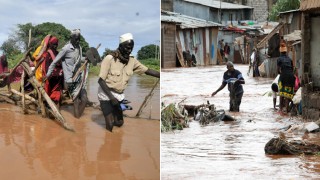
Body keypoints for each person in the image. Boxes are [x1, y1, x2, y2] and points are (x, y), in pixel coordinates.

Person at [98, 33, 160, 132]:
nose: (129, 50)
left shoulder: (132, 61)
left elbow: (147, 70)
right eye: (127, 48)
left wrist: (162, 75)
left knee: (119, 123)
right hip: (106, 93)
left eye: (131, 48)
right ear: (120, 46)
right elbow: (100, 81)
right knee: (109, 125)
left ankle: (114, 114)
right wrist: (112, 98)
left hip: (119, 94)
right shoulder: (109, 58)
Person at [44, 29, 89, 118]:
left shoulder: (79, 48)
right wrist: (48, 75)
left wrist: (86, 59)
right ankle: (77, 120)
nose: (77, 41)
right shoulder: (66, 49)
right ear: (71, 38)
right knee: (76, 102)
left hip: (79, 78)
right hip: (70, 80)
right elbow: (54, 62)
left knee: (84, 100)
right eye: (76, 39)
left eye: (79, 39)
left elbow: (79, 60)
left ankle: (78, 122)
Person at [36, 36, 63, 106]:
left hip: (51, 76)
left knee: (48, 91)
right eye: (54, 44)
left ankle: (46, 105)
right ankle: (51, 105)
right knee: (54, 92)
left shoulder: (48, 53)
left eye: (56, 44)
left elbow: (41, 61)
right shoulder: (56, 53)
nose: (55, 46)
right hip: (56, 76)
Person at [277, 43, 295, 114]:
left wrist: (281, 73)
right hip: (291, 77)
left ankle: (281, 109)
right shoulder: (289, 59)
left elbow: (278, 70)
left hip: (283, 76)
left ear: (280, 52)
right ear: (286, 51)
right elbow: (292, 68)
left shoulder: (279, 59)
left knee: (281, 94)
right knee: (287, 94)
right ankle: (287, 110)